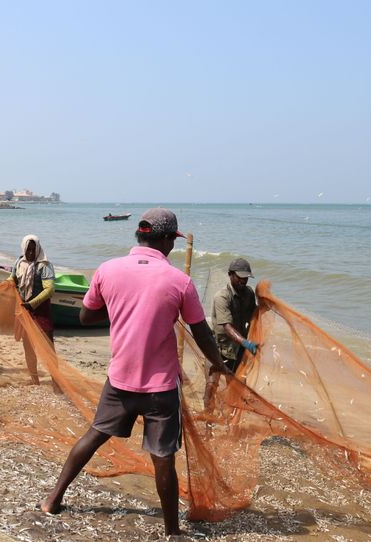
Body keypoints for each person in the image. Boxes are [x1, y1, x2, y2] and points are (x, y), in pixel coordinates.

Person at [39, 208, 233, 537]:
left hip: (120, 381)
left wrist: (122, 312)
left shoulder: (108, 270)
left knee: (94, 435)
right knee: (163, 458)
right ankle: (172, 531)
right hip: (160, 388)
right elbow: (202, 334)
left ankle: (53, 499)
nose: (173, 244)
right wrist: (219, 364)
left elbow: (86, 317)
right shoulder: (180, 281)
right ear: (166, 239)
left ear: (140, 236)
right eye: (173, 238)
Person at [203, 257, 259, 410]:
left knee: (235, 388)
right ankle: (208, 420)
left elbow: (254, 314)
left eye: (246, 278)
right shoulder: (222, 297)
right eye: (240, 277)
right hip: (217, 349)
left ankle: (231, 422)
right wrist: (246, 343)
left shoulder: (248, 293)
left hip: (237, 351)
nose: (243, 281)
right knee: (211, 386)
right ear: (230, 275)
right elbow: (227, 326)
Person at [9, 235, 57, 386]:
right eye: (28, 249)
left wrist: (32, 304)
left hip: (41, 311)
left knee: (48, 348)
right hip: (25, 311)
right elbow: (12, 279)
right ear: (23, 249)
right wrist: (5, 285)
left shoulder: (45, 265)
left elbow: (49, 290)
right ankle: (34, 379)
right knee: (28, 346)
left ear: (38, 249)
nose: (30, 252)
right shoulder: (19, 262)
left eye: (33, 249)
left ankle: (57, 381)